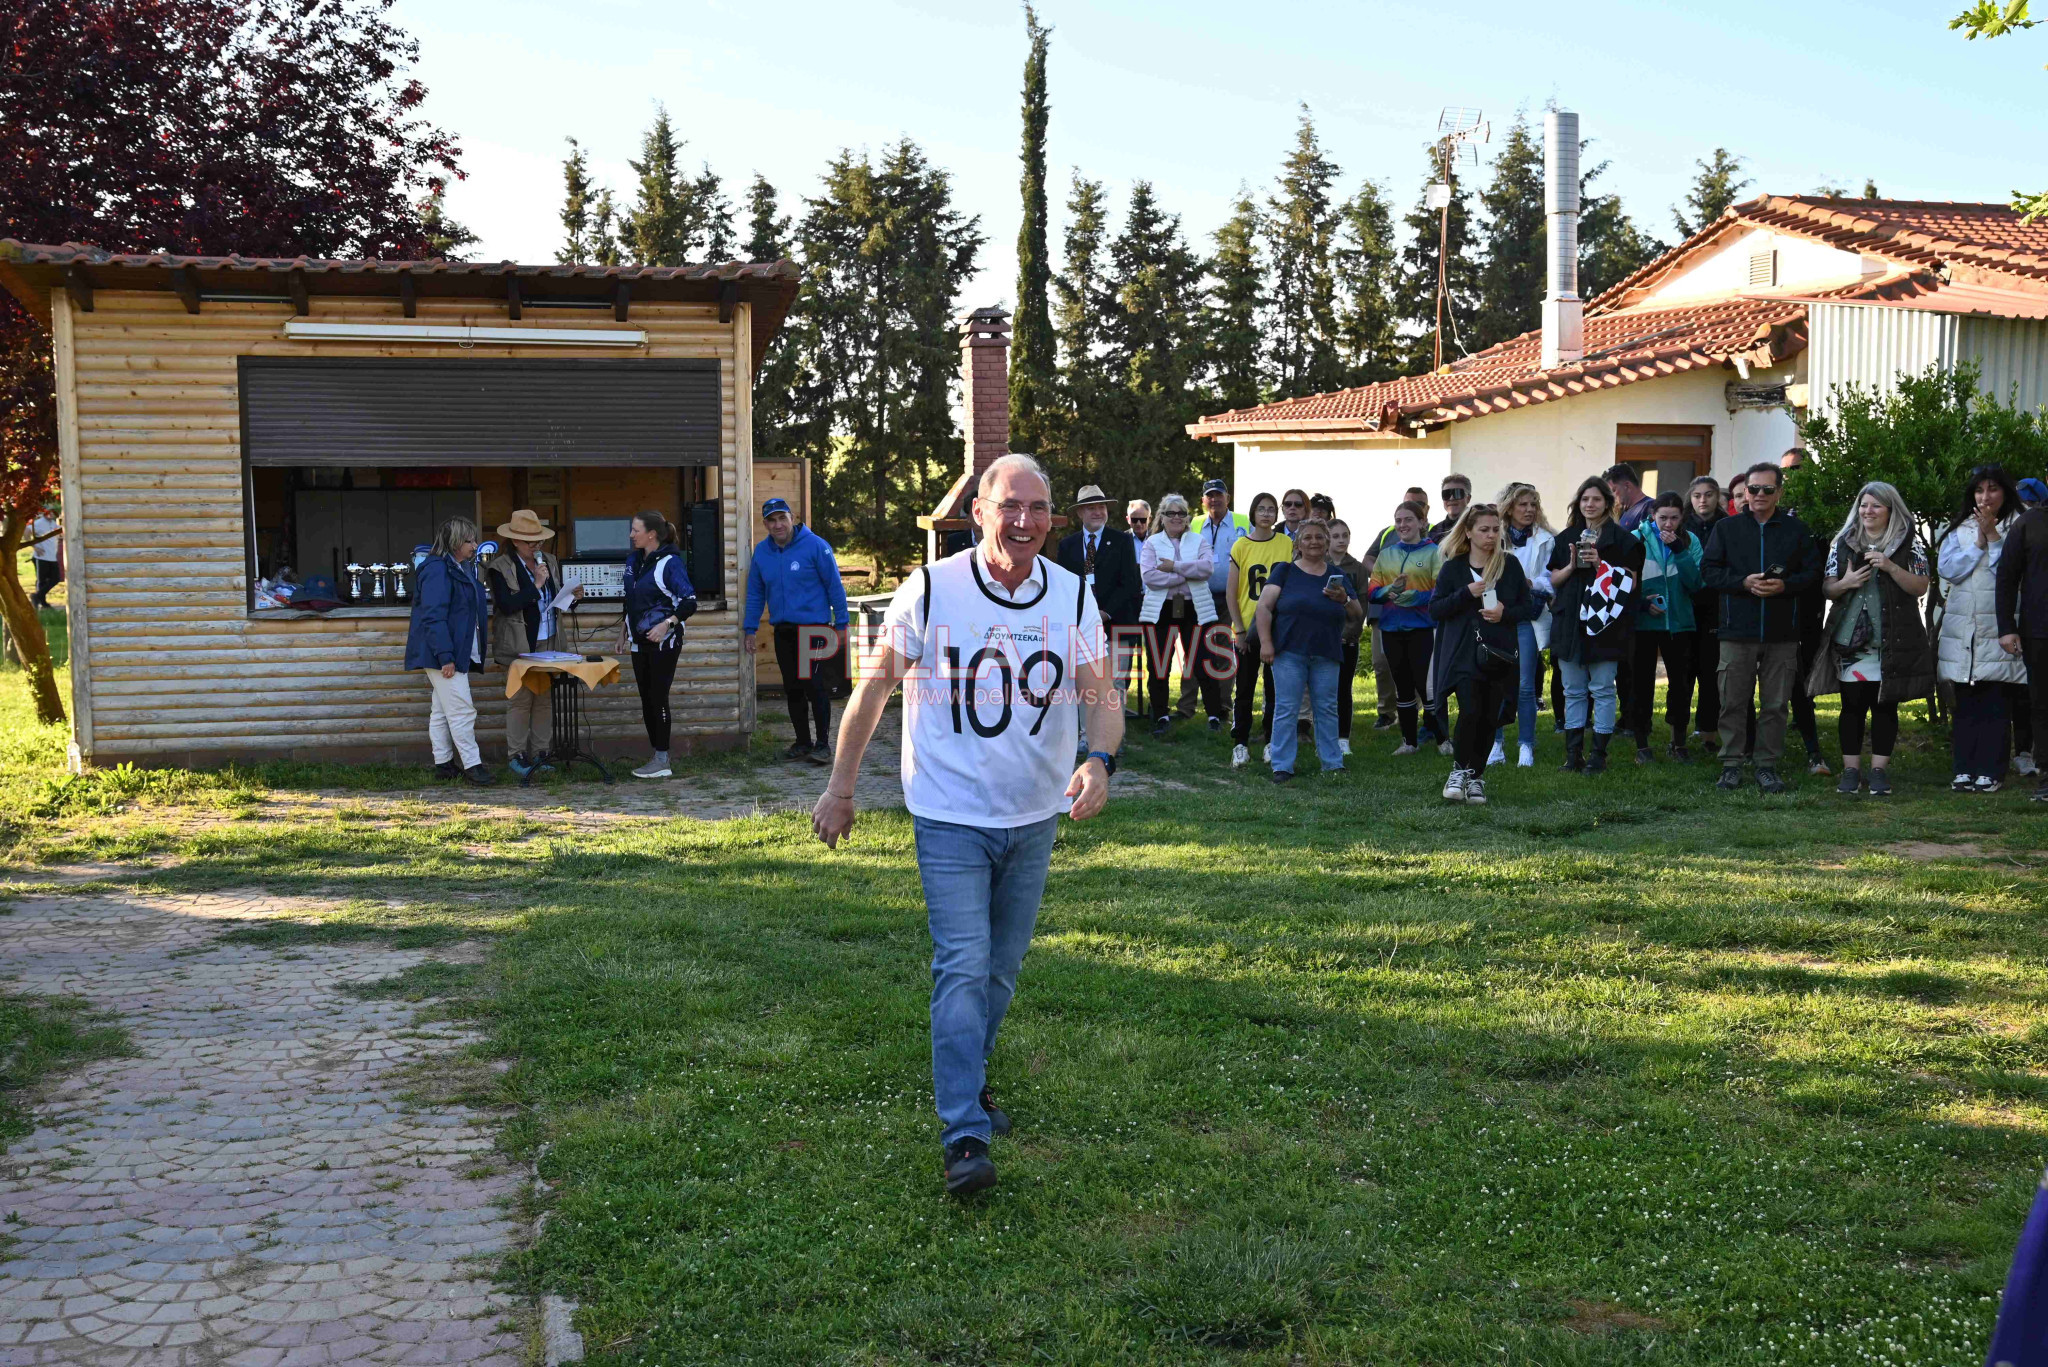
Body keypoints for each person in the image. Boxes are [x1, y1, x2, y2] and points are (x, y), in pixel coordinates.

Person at [812, 454, 1119, 1197]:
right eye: (1009, 504)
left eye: (1038, 507)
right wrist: (841, 787)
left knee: (1000, 970)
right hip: (949, 815)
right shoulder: (931, 588)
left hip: (1034, 816)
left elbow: (1102, 695)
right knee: (961, 965)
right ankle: (964, 1133)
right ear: (977, 511)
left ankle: (970, 1080)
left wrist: (1100, 759)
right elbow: (874, 687)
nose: (1025, 520)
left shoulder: (1074, 595)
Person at [1807, 481, 1931, 797]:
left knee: (1884, 706)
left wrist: (1889, 566)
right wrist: (1846, 582)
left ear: (1891, 510)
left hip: (1891, 639)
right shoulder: (1843, 542)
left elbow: (1920, 586)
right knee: (1851, 706)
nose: (1868, 511)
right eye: (1864, 505)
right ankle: (1850, 772)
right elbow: (1828, 589)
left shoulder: (1909, 543)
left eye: (1876, 505)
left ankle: (1878, 772)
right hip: (1852, 642)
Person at [1702, 462, 1820, 793]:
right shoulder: (1727, 529)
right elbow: (1709, 571)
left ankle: (1767, 766)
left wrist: (1785, 586)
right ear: (1745, 491)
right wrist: (1743, 582)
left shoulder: (1796, 530)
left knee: (1775, 704)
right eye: (1753, 489)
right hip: (1736, 630)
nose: (1759, 495)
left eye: (1768, 490)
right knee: (1733, 701)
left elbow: (1813, 574)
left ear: (1779, 493)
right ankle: (1731, 764)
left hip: (1782, 633)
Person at [1431, 503, 1539, 803]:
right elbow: (1435, 609)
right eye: (1484, 530)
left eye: (1495, 530)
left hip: (1500, 652)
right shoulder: (1454, 567)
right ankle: (1458, 771)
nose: (1491, 535)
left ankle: (1476, 778)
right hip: (1464, 652)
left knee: (1490, 715)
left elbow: (1527, 607)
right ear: (1468, 532)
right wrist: (1466, 593)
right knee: (1471, 710)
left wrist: (1505, 612)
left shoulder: (1509, 565)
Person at [1937, 465, 2027, 792]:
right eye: (1979, 490)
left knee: (1996, 701)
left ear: (2005, 492)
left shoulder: (2020, 524)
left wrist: (1993, 537)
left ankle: (1991, 770)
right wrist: (1977, 541)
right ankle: (1964, 769)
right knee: (1966, 702)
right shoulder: (1959, 527)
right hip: (1964, 628)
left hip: (2000, 624)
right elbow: (1949, 571)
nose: (1985, 497)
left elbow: (2011, 573)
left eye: (1992, 489)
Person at [1547, 476, 1644, 775]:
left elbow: (1632, 583)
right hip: (1570, 622)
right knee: (1573, 689)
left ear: (1607, 503)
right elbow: (1553, 580)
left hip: (1606, 624)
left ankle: (1598, 755)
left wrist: (1602, 564)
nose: (1590, 505)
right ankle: (1573, 755)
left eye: (1596, 499)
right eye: (1584, 499)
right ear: (1578, 503)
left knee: (1602, 688)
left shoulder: (1626, 541)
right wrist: (1572, 566)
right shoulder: (1566, 538)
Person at [1254, 516, 1360, 782]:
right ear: (1298, 543)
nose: (1314, 541)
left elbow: (1357, 613)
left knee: (1326, 708)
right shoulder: (1285, 571)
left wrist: (1344, 598)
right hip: (1288, 651)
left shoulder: (1338, 577)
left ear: (1327, 543)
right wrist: (1266, 642)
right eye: (1308, 537)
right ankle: (1282, 765)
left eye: (1319, 537)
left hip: (1326, 652)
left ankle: (1332, 763)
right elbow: (1264, 607)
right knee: (1287, 708)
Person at [745, 497, 850, 765]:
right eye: (772, 520)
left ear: (793, 518)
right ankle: (802, 742)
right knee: (792, 688)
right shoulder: (762, 553)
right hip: (784, 630)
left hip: (814, 629)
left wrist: (842, 625)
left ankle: (823, 745)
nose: (778, 524)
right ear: (765, 523)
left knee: (815, 687)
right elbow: (756, 593)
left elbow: (834, 586)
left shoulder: (816, 546)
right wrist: (750, 628)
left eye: (782, 518)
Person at [485, 510, 580, 776]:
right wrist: (536, 584)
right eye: (530, 542)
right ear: (514, 541)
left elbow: (555, 601)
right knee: (520, 700)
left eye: (538, 541)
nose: (536, 546)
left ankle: (541, 752)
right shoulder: (499, 567)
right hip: (519, 644)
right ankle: (517, 755)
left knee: (544, 699)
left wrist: (573, 597)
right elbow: (506, 605)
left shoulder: (549, 560)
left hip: (549, 640)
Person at [404, 516, 495, 786]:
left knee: (442, 711)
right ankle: (473, 766)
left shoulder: (459, 566)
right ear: (455, 542)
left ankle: (443, 764)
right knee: (462, 710)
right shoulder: (437, 569)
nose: (475, 545)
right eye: (470, 540)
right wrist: (446, 656)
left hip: (450, 651)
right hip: (443, 654)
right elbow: (433, 616)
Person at [1056, 484, 1143, 752]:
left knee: (1114, 681)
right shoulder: (1067, 545)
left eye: (1101, 507)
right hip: (1080, 626)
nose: (1098, 512)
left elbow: (1130, 584)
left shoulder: (1122, 541)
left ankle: (1113, 738)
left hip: (1115, 623)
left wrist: (1104, 613)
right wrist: (1083, 616)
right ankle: (1085, 736)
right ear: (1080, 512)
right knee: (1085, 682)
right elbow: (1064, 586)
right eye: (1091, 507)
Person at [622, 509, 699, 779]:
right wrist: (624, 630)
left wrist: (668, 624)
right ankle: (657, 755)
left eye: (636, 530)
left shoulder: (670, 563)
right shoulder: (634, 561)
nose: (631, 535)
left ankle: (662, 759)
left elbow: (690, 601)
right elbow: (632, 600)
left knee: (658, 697)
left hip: (664, 643)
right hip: (638, 643)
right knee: (646, 700)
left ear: (651, 534)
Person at [1628, 493, 1704, 763]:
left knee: (1681, 685)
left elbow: (1696, 583)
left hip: (1679, 623)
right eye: (1663, 518)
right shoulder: (1636, 538)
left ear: (1682, 517)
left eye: (1674, 518)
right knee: (1641, 684)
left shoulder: (1690, 541)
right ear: (1652, 516)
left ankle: (1678, 743)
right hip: (1643, 625)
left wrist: (1680, 552)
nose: (1668, 524)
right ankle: (1642, 745)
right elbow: (1624, 584)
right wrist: (1642, 604)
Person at [1138, 493, 1218, 735]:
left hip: (1195, 609)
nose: (1176, 517)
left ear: (1187, 518)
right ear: (1161, 517)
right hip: (1161, 611)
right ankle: (1161, 714)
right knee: (1159, 663)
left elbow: (1207, 569)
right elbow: (1150, 577)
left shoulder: (1199, 540)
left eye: (1181, 513)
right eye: (1170, 513)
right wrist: (1185, 574)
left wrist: (1173, 567)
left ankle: (1214, 714)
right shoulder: (1152, 543)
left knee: (1202, 661)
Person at [1366, 501, 1442, 756]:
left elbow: (1441, 591)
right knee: (1402, 685)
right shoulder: (1387, 554)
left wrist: (1417, 598)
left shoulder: (1434, 552)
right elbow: (1373, 591)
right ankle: (1409, 742)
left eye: (1408, 519)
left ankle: (1442, 739)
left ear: (1422, 523)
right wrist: (1390, 591)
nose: (1402, 525)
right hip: (1391, 628)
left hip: (1422, 628)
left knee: (1426, 686)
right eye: (1398, 520)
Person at [1491, 482, 1555, 768]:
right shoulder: (1494, 537)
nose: (1529, 510)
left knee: (1526, 685)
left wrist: (1532, 584)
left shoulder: (1546, 539)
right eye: (1523, 504)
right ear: (1509, 508)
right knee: (1494, 682)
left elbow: (1549, 578)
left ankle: (1526, 746)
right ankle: (1495, 744)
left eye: (1533, 505)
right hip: (1496, 617)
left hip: (1527, 616)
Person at [1227, 493, 1293, 767]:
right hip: (1247, 626)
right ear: (1253, 513)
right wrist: (1240, 630)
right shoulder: (1241, 545)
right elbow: (1232, 593)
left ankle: (1270, 741)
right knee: (1244, 687)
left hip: (1278, 625)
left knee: (1275, 688)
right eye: (1261, 509)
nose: (1266, 514)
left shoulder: (1286, 543)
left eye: (1271, 510)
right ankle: (1240, 743)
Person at [1178, 479, 1248, 721]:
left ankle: (1222, 708)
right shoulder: (1195, 523)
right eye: (1210, 496)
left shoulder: (1242, 523)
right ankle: (1186, 707)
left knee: (1223, 651)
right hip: (1198, 597)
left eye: (1219, 495)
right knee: (1192, 649)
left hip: (1230, 597)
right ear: (1203, 500)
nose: (1214, 499)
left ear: (1227, 498)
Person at [1998, 477, 2048, 802]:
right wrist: (2006, 626)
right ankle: (2046, 776)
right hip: (2039, 629)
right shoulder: (2028, 524)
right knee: (2043, 704)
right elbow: (2006, 576)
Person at [1684, 476, 1726, 748]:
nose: (1703, 500)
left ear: (1717, 497)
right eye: (1697, 495)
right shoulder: (1681, 524)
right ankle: (1679, 729)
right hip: (1684, 604)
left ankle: (1707, 728)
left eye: (1708, 494)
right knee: (1684, 669)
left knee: (1711, 670)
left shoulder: (1727, 525)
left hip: (1715, 606)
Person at [1328, 519, 1368, 756]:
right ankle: (1324, 736)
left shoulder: (1358, 569)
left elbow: (1361, 605)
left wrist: (1352, 631)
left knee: (1343, 689)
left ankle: (1343, 738)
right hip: (1323, 636)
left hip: (1347, 638)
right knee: (1322, 690)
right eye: (1336, 536)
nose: (1341, 540)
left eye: (1345, 535)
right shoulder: (1318, 564)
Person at [1606, 462, 1657, 531]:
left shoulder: (1649, 507)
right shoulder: (1624, 512)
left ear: (1626, 486)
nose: (1611, 497)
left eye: (1613, 490)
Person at [28, 506, 61, 608]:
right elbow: (26, 531)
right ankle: (42, 603)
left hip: (52, 557)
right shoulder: (39, 523)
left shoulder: (52, 523)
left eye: (53, 512)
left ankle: (37, 596)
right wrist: (35, 547)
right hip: (41, 557)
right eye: (48, 512)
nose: (51, 514)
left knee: (55, 579)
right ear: (44, 513)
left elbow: (59, 531)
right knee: (41, 581)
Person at [1428, 475, 1470, 543]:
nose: (1451, 498)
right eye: (1446, 494)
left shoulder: (1478, 527)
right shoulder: (1434, 532)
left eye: (1457, 493)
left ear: (1468, 498)